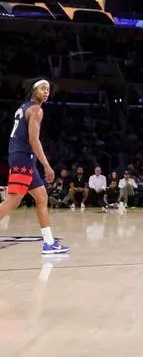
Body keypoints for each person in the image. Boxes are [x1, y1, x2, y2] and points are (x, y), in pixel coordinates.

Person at [1, 79, 69, 256]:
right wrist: (46, 165)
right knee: (14, 200)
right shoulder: (36, 110)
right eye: (42, 88)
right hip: (23, 157)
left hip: (22, 156)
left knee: (42, 197)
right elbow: (33, 140)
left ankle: (49, 243)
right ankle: (49, 243)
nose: (46, 92)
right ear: (33, 91)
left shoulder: (24, 107)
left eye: (48, 89)